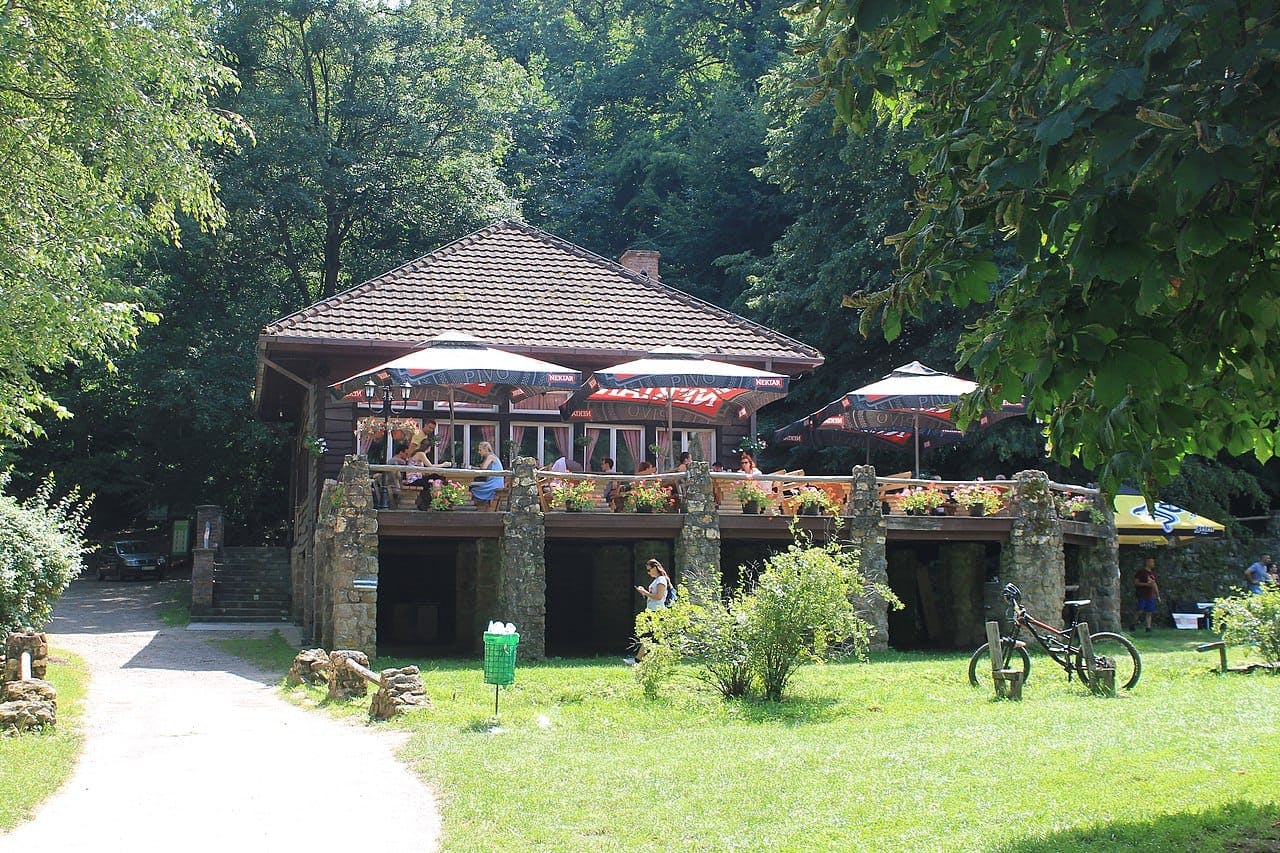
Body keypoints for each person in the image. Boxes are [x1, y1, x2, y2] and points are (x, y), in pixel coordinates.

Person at [623, 558, 672, 665]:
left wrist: (645, 592)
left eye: (649, 570)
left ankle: (638, 661)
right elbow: (653, 597)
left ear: (656, 568)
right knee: (652, 637)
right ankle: (644, 660)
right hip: (652, 611)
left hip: (657, 612)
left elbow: (659, 597)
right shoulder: (656, 580)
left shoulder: (661, 580)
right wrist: (644, 593)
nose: (648, 572)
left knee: (650, 637)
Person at [469, 441, 504, 510]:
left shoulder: (490, 457)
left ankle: (479, 508)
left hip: (494, 483)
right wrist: (471, 467)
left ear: (486, 449)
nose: (479, 452)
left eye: (480, 450)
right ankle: (481, 507)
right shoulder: (490, 457)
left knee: (474, 490)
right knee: (474, 488)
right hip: (494, 482)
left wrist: (473, 468)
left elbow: (483, 468)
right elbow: (481, 467)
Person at [1134, 556, 1160, 632]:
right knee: (1140, 610)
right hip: (1142, 595)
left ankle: (1148, 627)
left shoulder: (1153, 574)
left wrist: (1157, 595)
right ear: (1147, 562)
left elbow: (1154, 584)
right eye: (1151, 562)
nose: (1153, 564)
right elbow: (1136, 583)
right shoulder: (1140, 572)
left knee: (1149, 612)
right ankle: (1133, 624)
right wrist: (1146, 584)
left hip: (1150, 595)